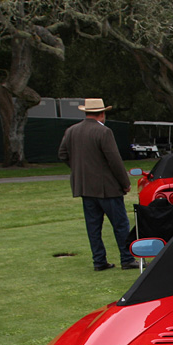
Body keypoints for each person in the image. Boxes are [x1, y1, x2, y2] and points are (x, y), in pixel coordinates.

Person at [58, 97, 136, 271]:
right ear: (102, 114)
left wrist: (78, 170)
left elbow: (62, 154)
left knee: (93, 227)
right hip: (107, 188)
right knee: (120, 224)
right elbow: (114, 160)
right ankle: (127, 258)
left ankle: (99, 260)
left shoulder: (72, 131)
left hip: (85, 187)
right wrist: (125, 182)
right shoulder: (104, 132)